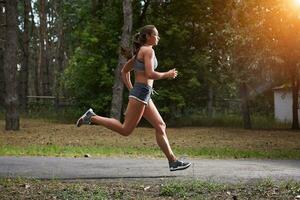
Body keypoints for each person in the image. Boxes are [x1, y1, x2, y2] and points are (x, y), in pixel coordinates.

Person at [76, 25, 191, 172]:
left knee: (160, 125)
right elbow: (149, 74)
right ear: (148, 36)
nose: (158, 37)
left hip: (143, 94)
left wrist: (132, 90)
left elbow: (124, 72)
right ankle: (92, 117)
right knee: (125, 130)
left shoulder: (139, 53)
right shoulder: (148, 50)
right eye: (156, 35)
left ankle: (173, 161)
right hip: (141, 94)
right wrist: (166, 74)